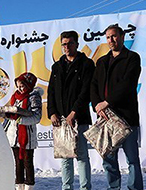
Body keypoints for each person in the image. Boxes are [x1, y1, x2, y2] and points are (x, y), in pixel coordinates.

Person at [90, 24, 144, 190]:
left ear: (122, 37)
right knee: (109, 159)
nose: (111, 40)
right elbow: (94, 85)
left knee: (132, 159)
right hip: (105, 117)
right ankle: (113, 188)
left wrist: (107, 102)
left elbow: (127, 84)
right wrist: (98, 106)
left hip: (126, 117)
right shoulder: (102, 61)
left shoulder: (132, 58)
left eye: (114, 36)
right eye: (108, 37)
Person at [48, 31, 94, 190]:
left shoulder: (86, 64)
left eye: (69, 43)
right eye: (64, 44)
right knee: (65, 157)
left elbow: (86, 91)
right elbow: (51, 91)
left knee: (81, 156)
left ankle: (85, 187)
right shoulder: (57, 66)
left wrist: (74, 112)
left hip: (78, 118)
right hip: (61, 120)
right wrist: (52, 112)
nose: (66, 47)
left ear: (77, 44)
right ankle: (66, 187)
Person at [4, 72, 42, 190]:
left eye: (22, 86)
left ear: (29, 85)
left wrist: (20, 119)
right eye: (18, 86)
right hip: (14, 135)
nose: (20, 89)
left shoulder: (33, 97)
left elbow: (36, 117)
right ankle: (18, 186)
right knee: (18, 163)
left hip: (27, 136)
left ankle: (29, 186)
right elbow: (11, 117)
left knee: (27, 163)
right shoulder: (15, 97)